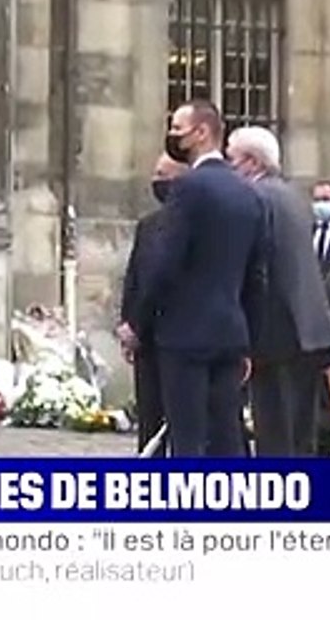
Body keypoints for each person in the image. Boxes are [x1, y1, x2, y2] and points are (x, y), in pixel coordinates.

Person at [134, 100, 267, 457]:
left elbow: (165, 262)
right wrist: (249, 338)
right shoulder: (249, 193)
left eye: (179, 129)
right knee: (226, 433)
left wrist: (139, 321)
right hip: (230, 332)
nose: (174, 136)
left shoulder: (189, 188)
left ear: (203, 132)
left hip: (186, 333)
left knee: (187, 436)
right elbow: (256, 275)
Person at [226, 127, 330, 456]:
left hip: (275, 330)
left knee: (275, 428)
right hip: (307, 328)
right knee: (300, 428)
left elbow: (257, 267)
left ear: (250, 162)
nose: (227, 166)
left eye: (231, 158)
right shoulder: (291, 195)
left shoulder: (256, 197)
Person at [117, 153, 187, 455]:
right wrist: (127, 325)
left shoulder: (190, 224)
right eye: (156, 174)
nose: (158, 181)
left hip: (178, 334)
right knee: (149, 417)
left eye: (165, 175)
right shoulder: (147, 225)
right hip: (146, 340)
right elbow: (135, 277)